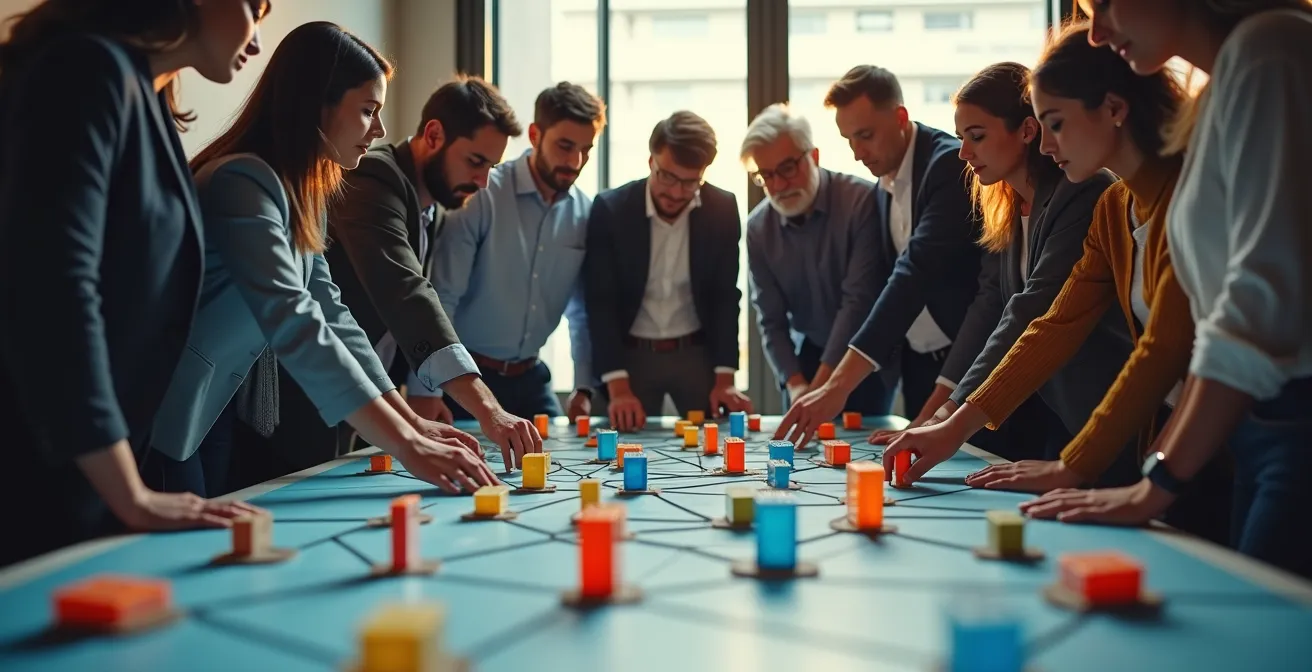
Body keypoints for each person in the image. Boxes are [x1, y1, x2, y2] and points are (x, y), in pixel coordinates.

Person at [884, 21, 1231, 545]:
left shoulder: (1178, 191)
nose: (1044, 145)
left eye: (1055, 124)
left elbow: (1163, 348)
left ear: (1114, 109)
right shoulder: (1115, 207)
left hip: (1225, 431)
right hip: (1164, 430)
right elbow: (1053, 325)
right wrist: (951, 429)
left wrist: (1071, 465)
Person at [142, 22, 499, 498]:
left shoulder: (303, 194)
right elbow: (294, 319)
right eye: (368, 110)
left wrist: (410, 421)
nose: (380, 130)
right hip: (167, 412)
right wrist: (408, 446)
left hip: (212, 408)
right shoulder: (242, 181)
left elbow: (334, 315)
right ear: (317, 105)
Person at [1023, 1, 1312, 578]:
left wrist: (1153, 486)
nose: (1099, 32)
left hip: (1295, 420)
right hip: (1253, 428)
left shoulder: (1271, 48)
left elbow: (1256, 301)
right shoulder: (1224, 82)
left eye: (1105, 4)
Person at [0, 0, 268, 566]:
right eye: (255, 7)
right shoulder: (85, 68)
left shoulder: (146, 100)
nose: (257, 38)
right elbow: (55, 288)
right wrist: (132, 495)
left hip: (87, 471)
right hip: (39, 464)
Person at [869, 63, 1127, 466]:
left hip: (1109, 407)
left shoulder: (1083, 190)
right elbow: (998, 310)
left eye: (977, 136)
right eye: (960, 139)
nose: (964, 153)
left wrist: (950, 422)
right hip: (1057, 411)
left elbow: (1030, 313)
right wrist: (943, 414)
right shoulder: (1008, 206)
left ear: (1026, 131)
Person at [320, 76, 541, 473]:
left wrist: (416, 406)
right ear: (435, 134)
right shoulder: (373, 178)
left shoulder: (433, 206)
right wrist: (490, 410)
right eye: (475, 162)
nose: (482, 181)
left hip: (362, 398)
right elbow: (407, 293)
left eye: (491, 167)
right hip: (303, 398)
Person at [776, 65, 982, 448]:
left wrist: (837, 386)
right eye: (850, 140)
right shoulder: (879, 188)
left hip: (970, 362)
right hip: (918, 365)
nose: (857, 154)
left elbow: (912, 275)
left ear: (900, 117)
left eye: (866, 136)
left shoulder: (948, 165)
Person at [431, 82, 605, 422]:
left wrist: (583, 387)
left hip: (531, 379)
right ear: (536, 135)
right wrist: (431, 388)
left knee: (561, 469)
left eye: (586, 150)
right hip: (467, 378)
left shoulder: (584, 213)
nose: (576, 161)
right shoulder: (482, 193)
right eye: (565, 146)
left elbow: (581, 313)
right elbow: (442, 298)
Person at [584, 111, 752, 430]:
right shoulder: (610, 209)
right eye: (668, 177)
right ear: (651, 162)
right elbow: (600, 301)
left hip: (696, 353)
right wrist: (618, 388)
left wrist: (725, 378)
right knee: (621, 450)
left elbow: (725, 298)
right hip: (629, 357)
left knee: (713, 448)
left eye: (690, 182)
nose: (676, 193)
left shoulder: (723, 208)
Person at [740, 103, 891, 416]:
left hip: (863, 356)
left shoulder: (861, 201)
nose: (779, 186)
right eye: (766, 175)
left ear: (815, 156)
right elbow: (771, 319)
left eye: (787, 168)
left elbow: (857, 302)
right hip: (806, 358)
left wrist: (822, 387)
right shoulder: (758, 228)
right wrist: (796, 384)